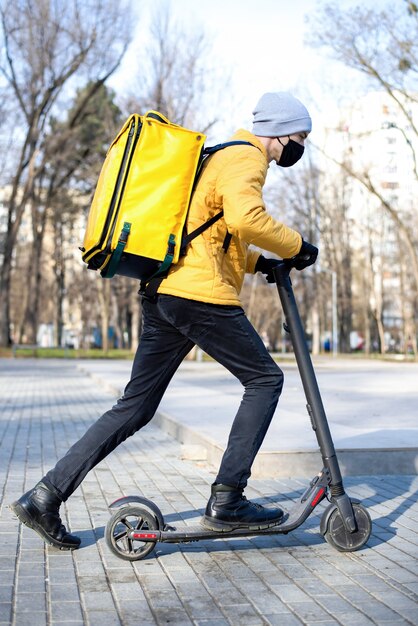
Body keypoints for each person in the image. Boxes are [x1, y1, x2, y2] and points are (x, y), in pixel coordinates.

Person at [11, 92, 318, 550]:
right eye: (300, 138)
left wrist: (259, 265)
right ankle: (228, 498)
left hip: (165, 292)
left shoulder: (220, 155)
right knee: (265, 380)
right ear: (279, 132)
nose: (300, 148)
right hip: (198, 296)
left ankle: (44, 496)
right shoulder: (247, 159)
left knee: (134, 406)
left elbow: (212, 233)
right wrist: (296, 247)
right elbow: (245, 218)